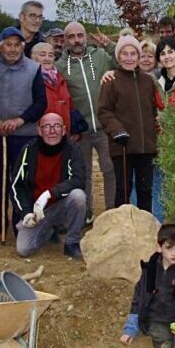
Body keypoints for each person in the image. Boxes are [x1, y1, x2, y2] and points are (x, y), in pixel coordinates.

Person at [0, 26, 47, 237]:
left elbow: (41, 103)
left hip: (24, 135)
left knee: (23, 183)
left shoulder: (33, 68)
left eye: (17, 45)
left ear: (23, 46)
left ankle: (21, 225)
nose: (12, 49)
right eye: (8, 44)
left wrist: (20, 120)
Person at [59, 21, 117, 222]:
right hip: (80, 131)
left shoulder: (100, 56)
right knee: (83, 174)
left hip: (104, 127)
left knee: (110, 169)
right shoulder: (61, 66)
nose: (76, 40)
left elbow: (122, 64)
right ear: (66, 40)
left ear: (86, 37)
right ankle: (86, 214)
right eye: (71, 37)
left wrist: (109, 45)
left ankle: (112, 211)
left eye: (80, 35)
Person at [11, 112, 88, 260]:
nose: (52, 130)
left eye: (57, 126)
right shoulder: (29, 150)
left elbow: (78, 180)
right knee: (24, 249)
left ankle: (71, 242)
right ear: (39, 130)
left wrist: (48, 194)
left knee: (78, 196)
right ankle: (49, 230)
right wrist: (26, 212)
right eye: (47, 126)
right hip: (37, 211)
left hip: (62, 205)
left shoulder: (73, 149)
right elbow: (16, 186)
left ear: (64, 130)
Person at [99, 35, 161, 212]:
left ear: (139, 56)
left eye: (133, 53)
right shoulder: (111, 81)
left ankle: (146, 227)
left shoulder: (148, 81)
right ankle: (122, 227)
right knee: (123, 190)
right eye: (124, 54)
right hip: (122, 145)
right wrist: (116, 129)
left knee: (145, 190)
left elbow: (154, 109)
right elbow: (103, 111)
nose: (129, 58)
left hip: (146, 146)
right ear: (118, 56)